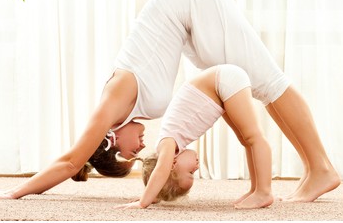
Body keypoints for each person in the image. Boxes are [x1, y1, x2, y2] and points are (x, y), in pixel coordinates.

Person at [0, 0, 339, 201]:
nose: (140, 151)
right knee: (256, 86)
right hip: (187, 19)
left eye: (129, 154)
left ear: (110, 139)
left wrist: (17, 192)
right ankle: (313, 169)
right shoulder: (130, 109)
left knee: (269, 80)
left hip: (191, 2)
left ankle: (321, 168)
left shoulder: (114, 99)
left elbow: (72, 160)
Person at [116, 64, 274, 209]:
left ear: (172, 165)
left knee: (253, 137)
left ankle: (264, 192)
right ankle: (256, 189)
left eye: (190, 172)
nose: (196, 168)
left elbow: (161, 171)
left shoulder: (167, 143)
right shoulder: (172, 142)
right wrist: (155, 195)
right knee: (246, 140)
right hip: (220, 85)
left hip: (221, 81)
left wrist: (143, 202)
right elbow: (162, 173)